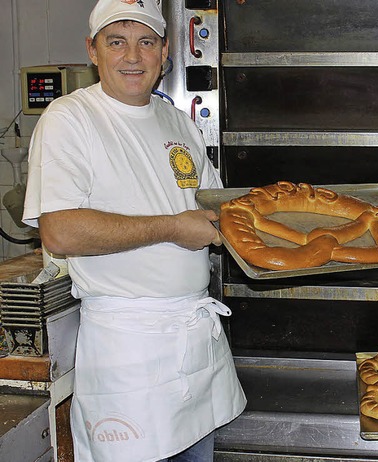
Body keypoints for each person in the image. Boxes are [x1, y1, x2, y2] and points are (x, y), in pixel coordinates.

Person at [22, 0, 246, 460]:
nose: (132, 56)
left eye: (145, 42)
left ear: (164, 51)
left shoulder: (176, 121)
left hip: (196, 347)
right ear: (92, 50)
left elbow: (216, 212)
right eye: (116, 41)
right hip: (129, 357)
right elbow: (59, 231)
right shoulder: (70, 119)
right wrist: (171, 228)